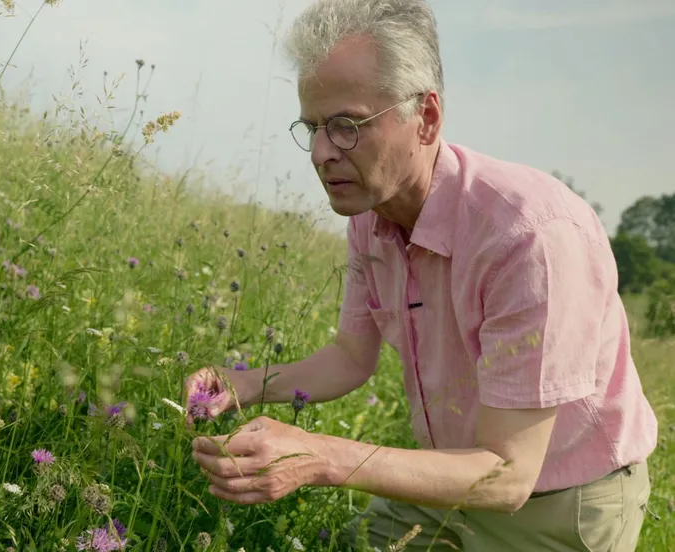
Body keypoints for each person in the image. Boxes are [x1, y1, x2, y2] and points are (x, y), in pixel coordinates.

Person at [185, 0, 659, 550]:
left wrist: (320, 456)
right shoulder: (371, 211)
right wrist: (243, 384)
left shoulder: (530, 237)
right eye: (311, 126)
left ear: (426, 118)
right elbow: (349, 356)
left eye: (345, 126)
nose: (319, 153)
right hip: (444, 479)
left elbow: (507, 474)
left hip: (558, 503)